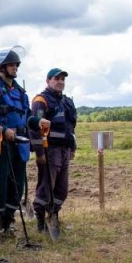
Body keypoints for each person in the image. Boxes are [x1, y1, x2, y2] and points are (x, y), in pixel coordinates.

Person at [0, 46, 49, 247]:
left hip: (19, 146)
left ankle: (8, 223)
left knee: (17, 187)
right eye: (11, 64)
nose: (15, 67)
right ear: (0, 68)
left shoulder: (19, 91)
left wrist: (37, 122)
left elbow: (26, 116)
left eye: (16, 64)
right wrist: (0, 128)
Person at [29, 68, 78, 233]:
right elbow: (34, 128)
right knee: (46, 187)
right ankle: (41, 222)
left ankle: (54, 215)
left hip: (64, 150)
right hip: (49, 151)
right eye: (57, 79)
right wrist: (39, 153)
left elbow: (70, 126)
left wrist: (72, 147)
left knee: (61, 189)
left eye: (63, 79)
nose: (60, 82)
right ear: (48, 81)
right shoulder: (41, 100)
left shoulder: (66, 102)